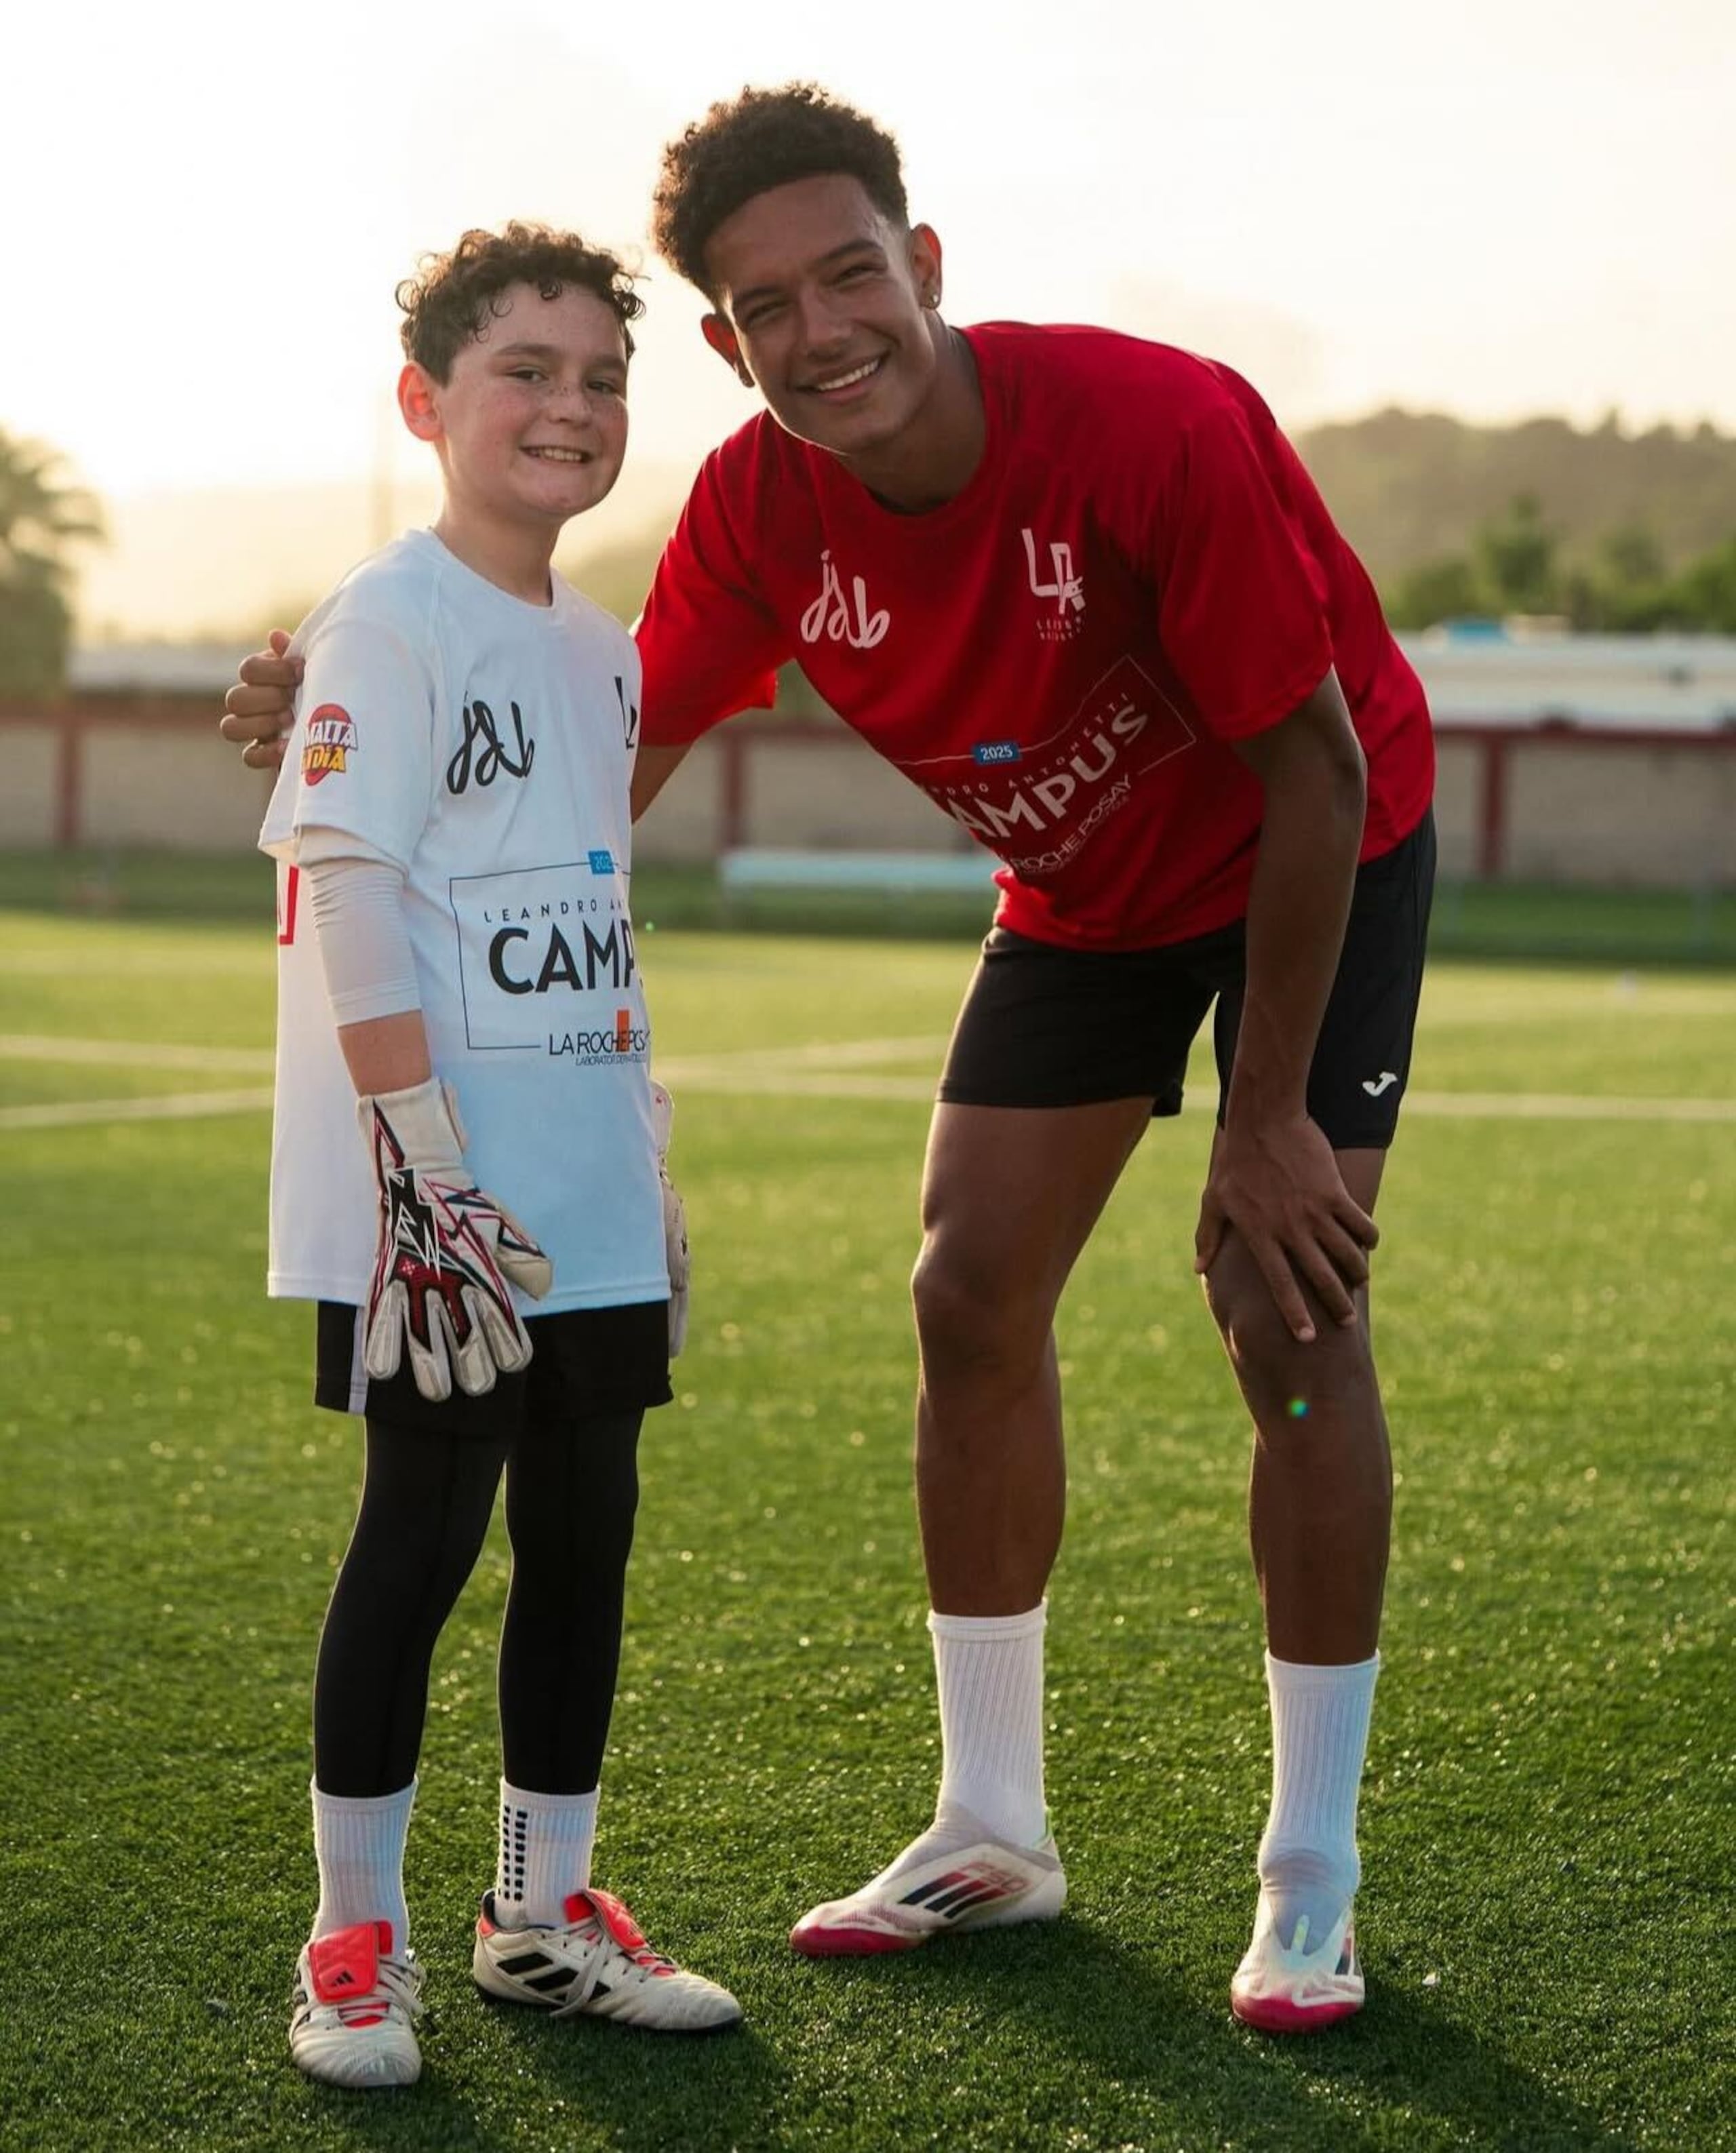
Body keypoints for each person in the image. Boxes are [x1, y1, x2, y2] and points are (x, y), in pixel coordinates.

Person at [224, 85, 1436, 2035]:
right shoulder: (757, 513)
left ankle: (1310, 1878)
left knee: (1288, 1322)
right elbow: (580, 765)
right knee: (967, 1293)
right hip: (1084, 897)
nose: (823, 329)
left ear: (923, 265)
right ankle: (993, 1825)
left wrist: (1271, 1116)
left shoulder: (1150, 423)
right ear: (726, 343)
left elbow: (1317, 763)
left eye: (850, 273)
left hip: (1314, 845)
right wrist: (343, 717)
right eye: (766, 304)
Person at [258, 222, 738, 2090]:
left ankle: (541, 1919)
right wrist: (425, 1161)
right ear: (427, 404)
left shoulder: (600, 650)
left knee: (585, 1537)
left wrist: (650, 1156)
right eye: (524, 372)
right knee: (421, 1539)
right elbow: (353, 890)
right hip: (439, 1202)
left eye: (603, 378)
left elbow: (583, 914)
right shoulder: (391, 613)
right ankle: (352, 1944)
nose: (571, 406)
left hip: (588, 1186)